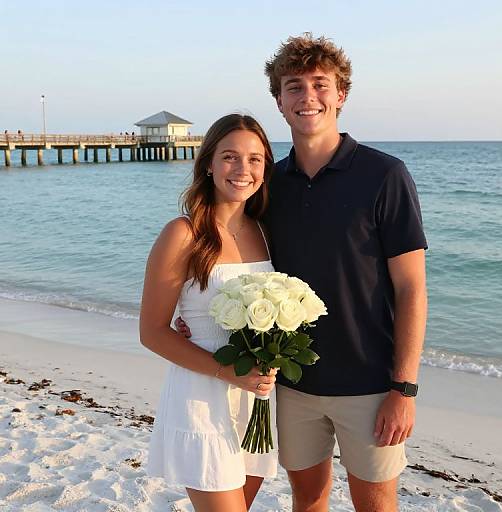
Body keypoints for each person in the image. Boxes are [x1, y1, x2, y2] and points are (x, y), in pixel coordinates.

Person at [178, 34, 428, 512]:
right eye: (294, 86)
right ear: (279, 100)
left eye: (320, 84)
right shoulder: (270, 184)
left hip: (371, 384)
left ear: (341, 95)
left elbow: (411, 287)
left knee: (376, 506)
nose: (308, 97)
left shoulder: (384, 175)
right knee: (308, 500)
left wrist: (404, 388)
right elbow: (233, 252)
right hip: (290, 385)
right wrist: (197, 317)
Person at [140, 114, 278, 512]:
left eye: (255, 159)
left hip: (258, 400)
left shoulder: (265, 230)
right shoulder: (182, 233)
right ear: (208, 164)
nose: (243, 170)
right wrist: (227, 371)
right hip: (203, 396)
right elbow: (152, 331)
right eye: (230, 157)